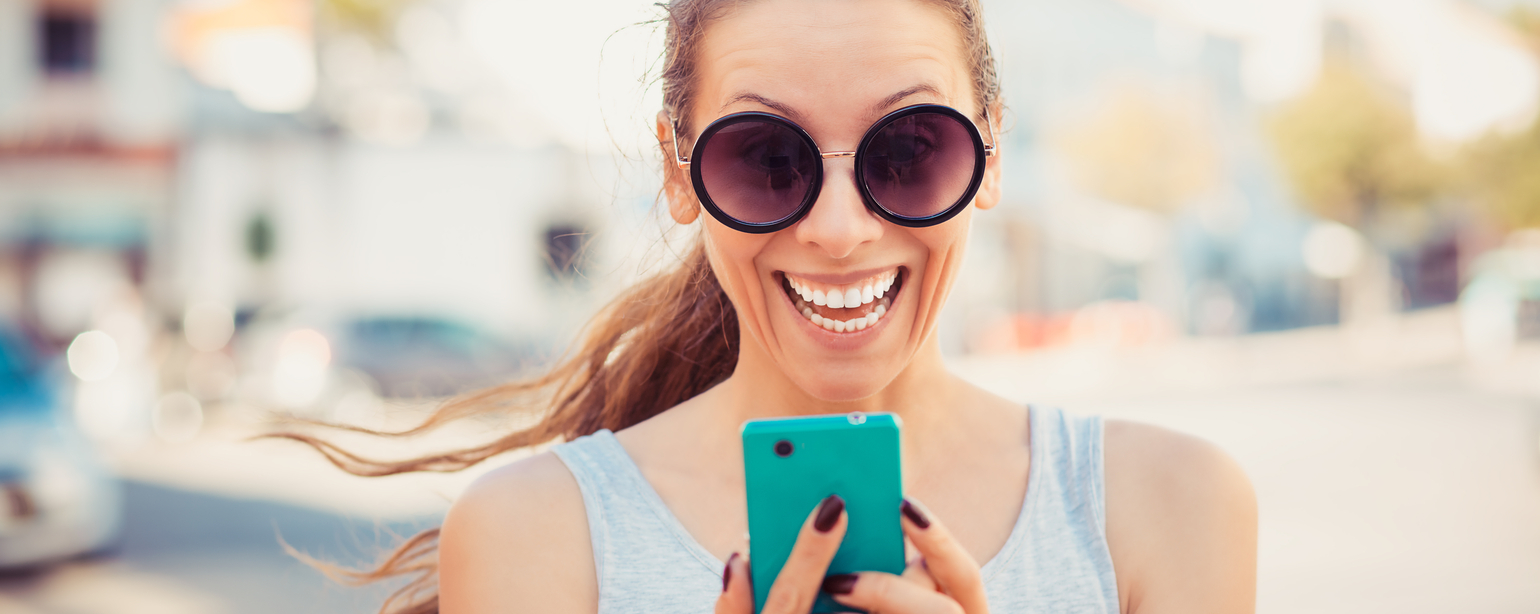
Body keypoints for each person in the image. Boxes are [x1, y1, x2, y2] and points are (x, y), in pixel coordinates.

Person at [285, 0, 1257, 612]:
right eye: (764, 156)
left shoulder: (1164, 506)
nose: (838, 227)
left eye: (909, 148)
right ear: (679, 170)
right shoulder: (536, 534)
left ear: (990, 153)